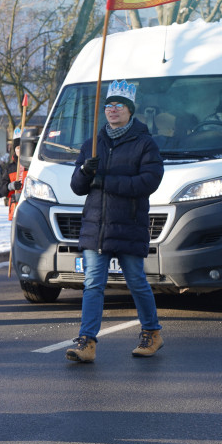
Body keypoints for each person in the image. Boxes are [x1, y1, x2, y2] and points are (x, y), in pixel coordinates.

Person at [65, 79, 165, 363]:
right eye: (108, 106)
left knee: (136, 281)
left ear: (130, 110)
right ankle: (87, 342)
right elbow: (77, 187)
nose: (112, 110)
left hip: (129, 226)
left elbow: (149, 182)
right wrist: (85, 171)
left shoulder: (145, 144)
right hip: (96, 228)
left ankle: (152, 332)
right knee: (93, 283)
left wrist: (105, 180)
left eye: (118, 106)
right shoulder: (92, 144)